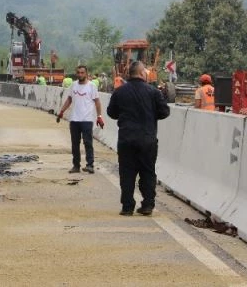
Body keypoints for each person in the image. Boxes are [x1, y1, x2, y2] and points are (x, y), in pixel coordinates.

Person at [107, 60, 170, 216]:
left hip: (126, 139)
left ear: (129, 74)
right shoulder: (153, 92)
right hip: (147, 139)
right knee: (148, 172)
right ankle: (148, 205)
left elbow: (111, 113)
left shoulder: (119, 92)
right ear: (142, 73)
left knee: (126, 173)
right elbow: (164, 112)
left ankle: (127, 207)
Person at [57, 65, 103, 174]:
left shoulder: (91, 86)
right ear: (76, 73)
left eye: (82, 72)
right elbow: (69, 99)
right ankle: (76, 166)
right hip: (74, 120)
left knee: (88, 143)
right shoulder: (73, 85)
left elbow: (97, 102)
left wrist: (99, 116)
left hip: (87, 120)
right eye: (78, 72)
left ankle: (90, 165)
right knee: (75, 144)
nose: (80, 74)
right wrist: (61, 111)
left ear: (86, 74)